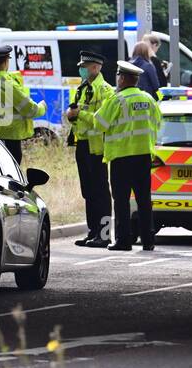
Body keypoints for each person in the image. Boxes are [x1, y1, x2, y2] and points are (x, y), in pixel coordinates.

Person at [95, 61, 160, 251]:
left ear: (122, 78)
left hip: (121, 157)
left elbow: (99, 124)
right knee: (144, 199)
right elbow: (158, 121)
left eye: (118, 77)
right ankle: (148, 240)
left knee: (121, 200)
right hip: (143, 157)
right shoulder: (148, 99)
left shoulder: (117, 100)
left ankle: (124, 241)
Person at [65, 51, 114, 248]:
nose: (81, 70)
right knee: (88, 191)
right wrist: (71, 116)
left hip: (98, 148)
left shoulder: (105, 90)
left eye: (84, 67)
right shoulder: (83, 88)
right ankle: (92, 232)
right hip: (82, 144)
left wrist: (80, 114)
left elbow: (102, 120)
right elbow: (78, 114)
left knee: (101, 191)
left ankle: (104, 235)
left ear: (95, 67)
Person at [0, 44, 46, 164]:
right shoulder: (7, 83)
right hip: (8, 137)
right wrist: (42, 107)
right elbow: (30, 110)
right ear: (7, 61)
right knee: (11, 175)